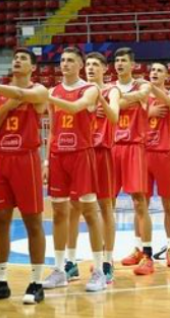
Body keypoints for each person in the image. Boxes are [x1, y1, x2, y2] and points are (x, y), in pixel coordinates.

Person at [0, 48, 47, 304]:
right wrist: (7, 107)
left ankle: (36, 282)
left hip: (25, 159)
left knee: (33, 222)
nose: (17, 61)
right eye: (15, 58)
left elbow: (21, 94)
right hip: (1, 159)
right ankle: (0, 281)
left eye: (23, 59)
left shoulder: (39, 90)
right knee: (0, 220)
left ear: (33, 67)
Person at [41, 47, 107, 292]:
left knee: (90, 212)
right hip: (58, 156)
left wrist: (48, 97)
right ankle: (60, 270)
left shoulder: (90, 89)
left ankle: (99, 271)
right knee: (59, 213)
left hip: (81, 155)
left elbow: (76, 107)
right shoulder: (52, 91)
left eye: (70, 60)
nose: (65, 64)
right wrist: (47, 162)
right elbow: (52, 129)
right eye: (62, 60)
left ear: (80, 64)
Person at [63, 52, 120, 284]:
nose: (90, 68)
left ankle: (107, 261)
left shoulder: (111, 91)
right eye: (87, 64)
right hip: (80, 152)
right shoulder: (78, 91)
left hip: (101, 152)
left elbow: (114, 117)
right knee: (73, 208)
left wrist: (100, 100)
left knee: (105, 207)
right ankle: (70, 262)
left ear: (105, 69)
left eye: (96, 64)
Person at [111, 48, 155, 275]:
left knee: (139, 201)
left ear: (133, 65)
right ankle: (105, 259)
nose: (119, 64)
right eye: (117, 60)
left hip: (134, 147)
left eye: (123, 60)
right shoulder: (109, 87)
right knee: (107, 202)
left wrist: (117, 99)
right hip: (112, 147)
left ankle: (147, 255)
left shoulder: (142, 85)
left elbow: (142, 95)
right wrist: (120, 99)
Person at [146, 62, 170, 267]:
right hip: (142, 153)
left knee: (169, 203)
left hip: (163, 154)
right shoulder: (142, 97)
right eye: (152, 70)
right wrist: (148, 112)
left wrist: (149, 87)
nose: (154, 72)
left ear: (167, 76)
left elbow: (169, 102)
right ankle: (142, 250)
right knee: (140, 204)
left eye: (159, 70)